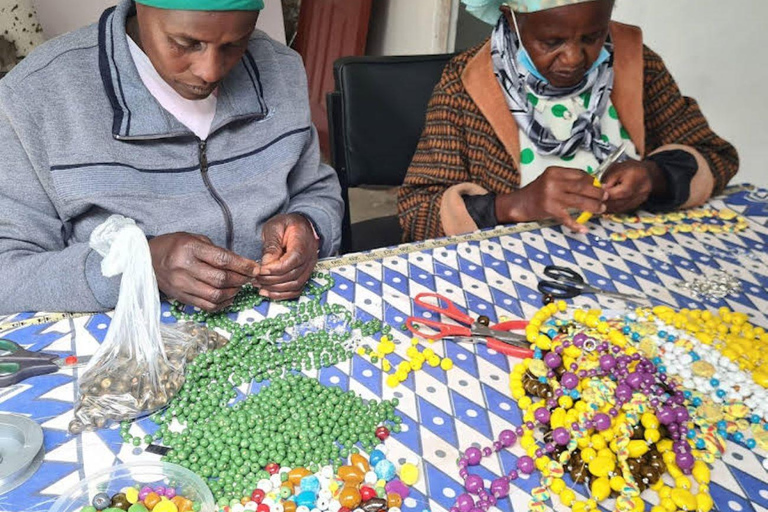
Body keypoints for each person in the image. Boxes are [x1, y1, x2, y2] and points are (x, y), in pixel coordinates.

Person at [0, 0, 343, 314]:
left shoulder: (280, 68)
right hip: (125, 343)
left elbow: (316, 188)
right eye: (185, 43)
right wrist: (139, 266)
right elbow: (8, 274)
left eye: (235, 44)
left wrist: (310, 227)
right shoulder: (36, 96)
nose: (209, 71)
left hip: (279, 325)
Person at [398, 0, 738, 242]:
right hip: (516, 272)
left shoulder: (635, 64)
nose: (575, 58)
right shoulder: (467, 84)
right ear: (511, 16)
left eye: (591, 37)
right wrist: (515, 205)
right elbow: (417, 212)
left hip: (635, 257)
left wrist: (654, 177)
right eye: (552, 42)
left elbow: (714, 155)